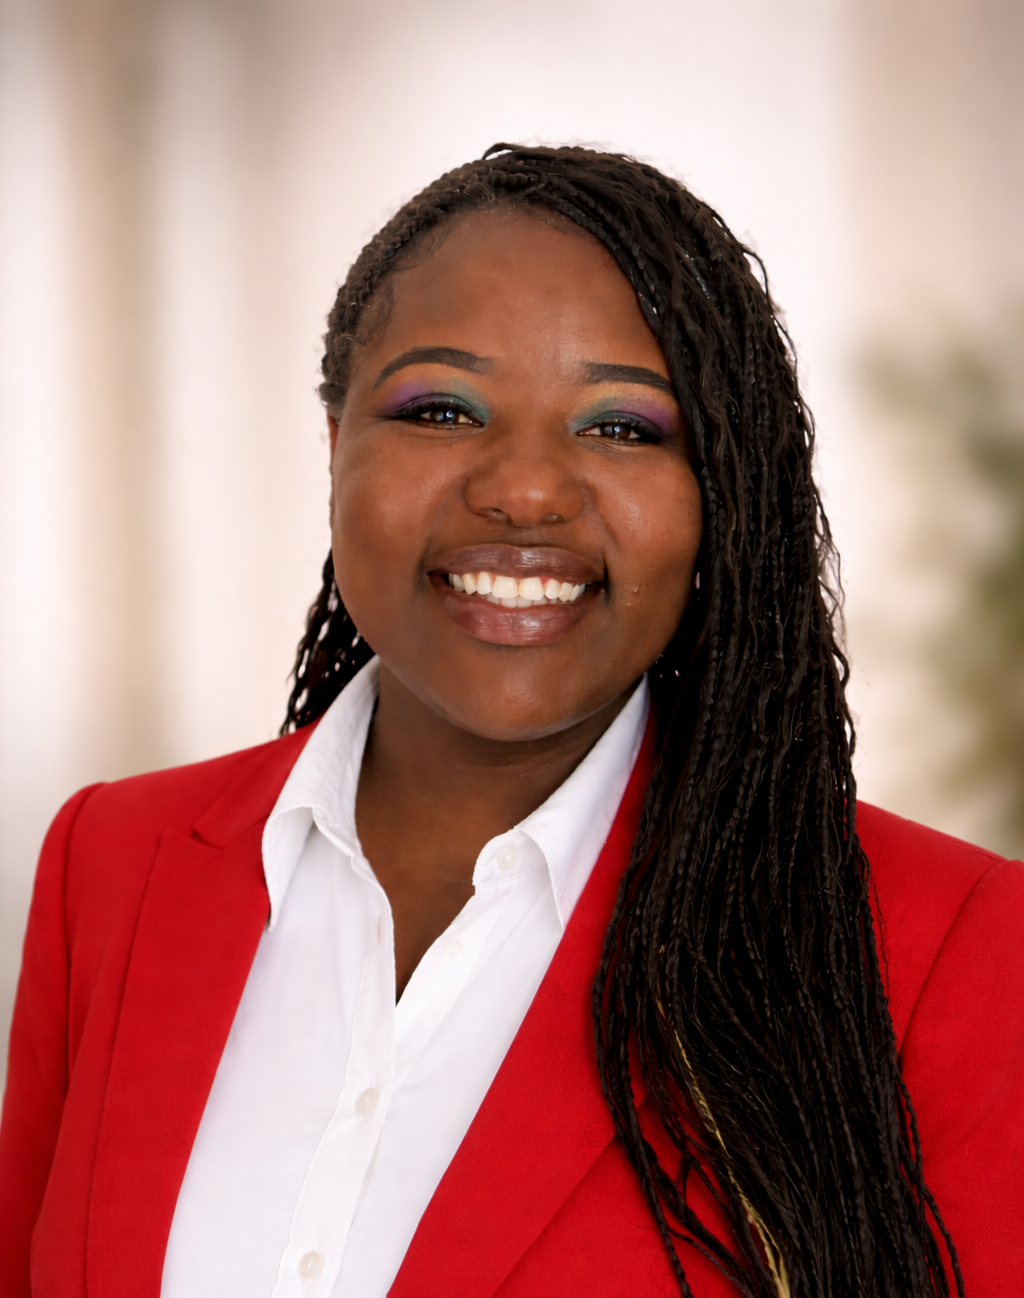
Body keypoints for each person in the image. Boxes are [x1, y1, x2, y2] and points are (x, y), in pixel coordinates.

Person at [0, 145, 1021, 1298]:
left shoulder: (953, 947)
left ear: (719, 491)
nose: (525, 488)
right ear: (335, 445)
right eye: (441, 407)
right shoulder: (111, 863)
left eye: (624, 427)